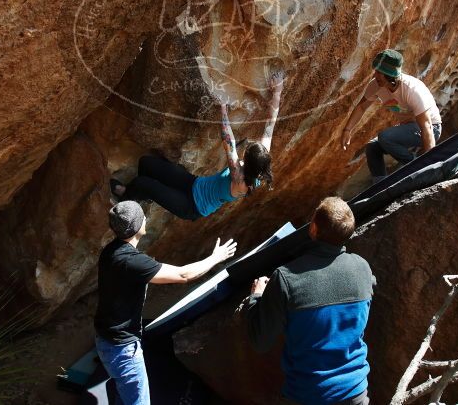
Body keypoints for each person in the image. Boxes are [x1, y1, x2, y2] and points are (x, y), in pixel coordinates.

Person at [94, 201, 237, 405]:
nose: (146, 217)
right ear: (136, 227)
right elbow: (183, 274)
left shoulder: (110, 251)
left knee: (123, 392)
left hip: (106, 339)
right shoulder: (132, 262)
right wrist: (216, 258)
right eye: (142, 216)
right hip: (122, 349)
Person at [246, 197, 375, 405]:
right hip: (356, 393)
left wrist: (257, 297)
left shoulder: (287, 278)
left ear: (313, 228)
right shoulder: (363, 268)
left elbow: (260, 342)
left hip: (308, 396)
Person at [111, 71, 285, 220]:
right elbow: (270, 124)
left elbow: (228, 140)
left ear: (248, 160)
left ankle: (127, 194)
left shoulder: (238, 177)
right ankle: (145, 193)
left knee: (143, 183)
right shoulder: (260, 164)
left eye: (246, 153)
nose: (245, 151)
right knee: (145, 163)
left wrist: (223, 108)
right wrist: (277, 90)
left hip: (192, 206)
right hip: (195, 184)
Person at [341, 49, 442, 181]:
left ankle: (419, 166)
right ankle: (380, 185)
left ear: (390, 75)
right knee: (372, 147)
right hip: (410, 127)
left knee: (385, 137)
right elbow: (361, 107)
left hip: (431, 128)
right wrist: (347, 130)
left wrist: (429, 161)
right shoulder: (376, 85)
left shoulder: (411, 89)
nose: (375, 75)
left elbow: (426, 126)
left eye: (379, 72)